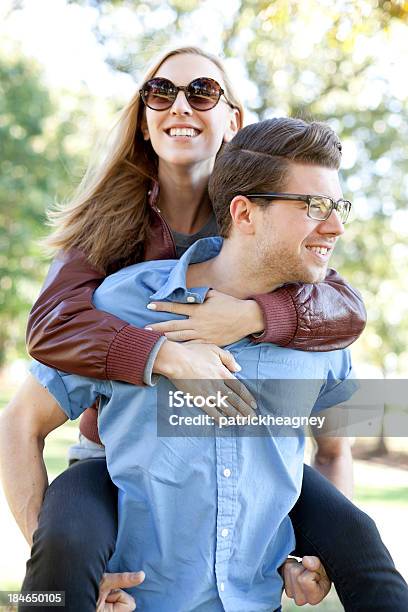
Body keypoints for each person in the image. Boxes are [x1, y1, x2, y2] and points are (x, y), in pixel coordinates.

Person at [2, 45, 368, 605]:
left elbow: (344, 307)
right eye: (159, 92)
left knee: (359, 539)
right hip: (119, 450)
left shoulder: (270, 220)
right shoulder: (106, 230)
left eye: (202, 91)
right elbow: (50, 330)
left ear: (233, 121)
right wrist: (162, 354)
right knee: (65, 544)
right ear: (144, 122)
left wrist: (254, 314)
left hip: (252, 445)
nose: (179, 105)